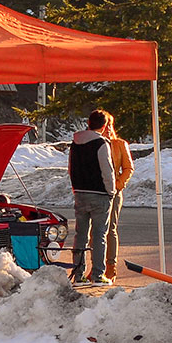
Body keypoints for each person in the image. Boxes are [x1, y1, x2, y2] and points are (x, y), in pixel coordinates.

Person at [68, 110, 117, 286]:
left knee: (80, 234)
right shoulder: (101, 143)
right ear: (103, 126)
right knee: (99, 235)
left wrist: (76, 187)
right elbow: (107, 170)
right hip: (99, 194)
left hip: (80, 192)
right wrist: (111, 191)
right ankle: (97, 274)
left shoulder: (75, 143)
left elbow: (71, 168)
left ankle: (78, 273)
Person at [99, 119, 134, 282]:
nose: (107, 130)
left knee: (110, 228)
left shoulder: (119, 144)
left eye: (110, 126)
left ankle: (110, 266)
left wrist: (119, 185)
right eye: (104, 127)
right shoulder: (95, 144)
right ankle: (97, 265)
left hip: (114, 192)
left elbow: (128, 167)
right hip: (97, 191)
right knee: (96, 231)